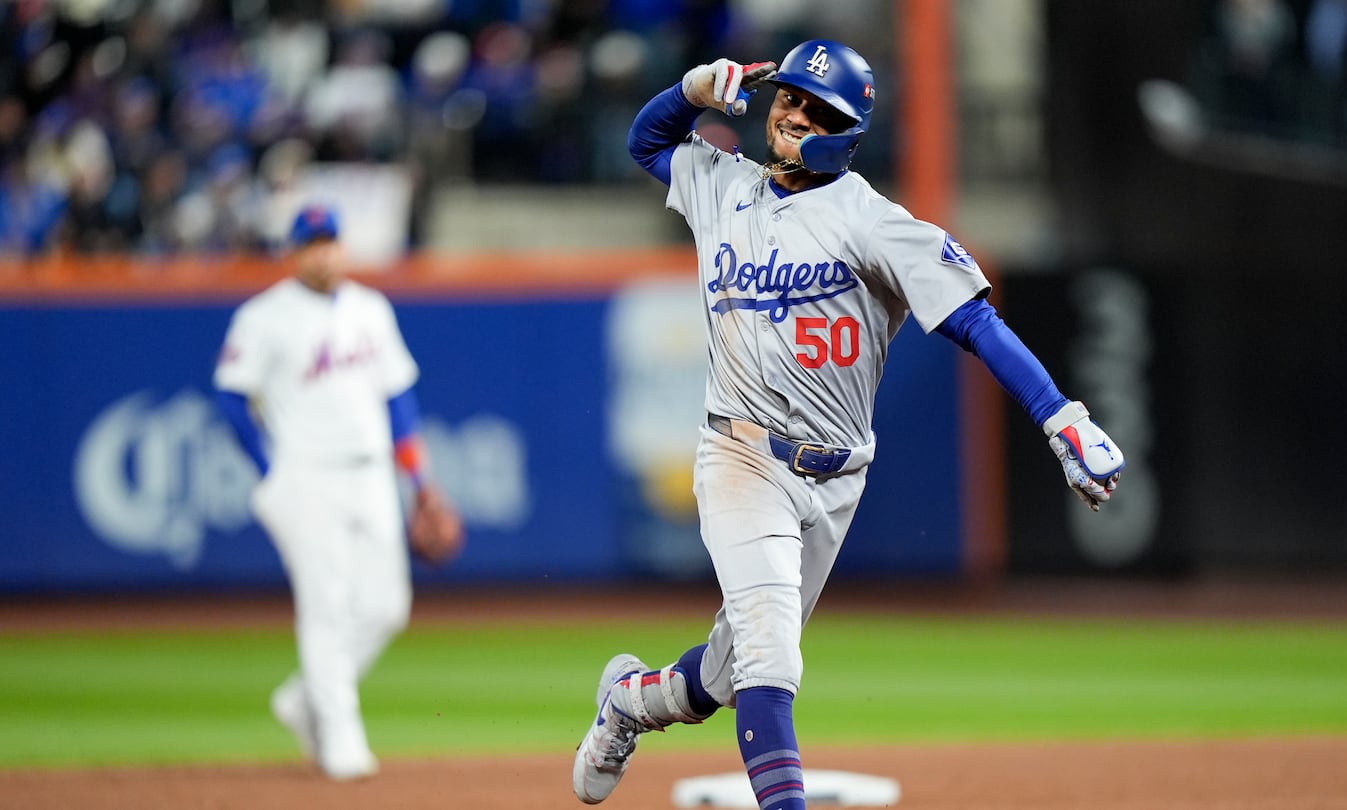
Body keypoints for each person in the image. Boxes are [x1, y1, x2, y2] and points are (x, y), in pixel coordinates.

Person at [571, 41, 1125, 809]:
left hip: (836, 478)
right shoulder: (719, 184)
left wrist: (1059, 414)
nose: (794, 113)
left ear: (847, 129)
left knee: (727, 678)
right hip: (740, 456)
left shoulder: (871, 221)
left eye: (815, 107)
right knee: (772, 664)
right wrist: (694, 88)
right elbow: (646, 142)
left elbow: (974, 322)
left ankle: (630, 701)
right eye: (790, 97)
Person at [213, 205, 447, 780]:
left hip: (371, 474)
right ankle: (341, 742)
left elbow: (399, 401)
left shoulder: (371, 309)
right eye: (311, 242)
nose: (323, 251)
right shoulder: (262, 315)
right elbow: (230, 398)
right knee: (326, 605)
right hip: (304, 475)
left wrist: (418, 480)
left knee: (387, 607)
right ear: (294, 252)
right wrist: (269, 470)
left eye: (330, 241)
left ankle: (303, 700)